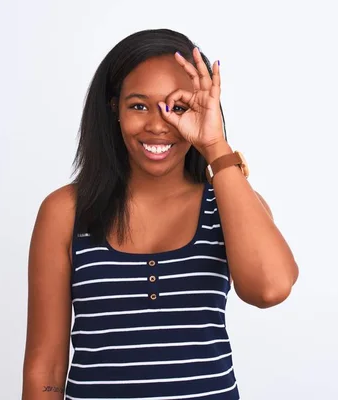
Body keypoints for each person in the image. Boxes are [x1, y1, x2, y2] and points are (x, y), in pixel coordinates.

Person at [21, 28, 299, 400]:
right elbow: (46, 367)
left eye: (178, 107)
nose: (158, 123)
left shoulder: (229, 204)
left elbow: (271, 288)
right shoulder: (65, 212)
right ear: (113, 109)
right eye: (138, 105)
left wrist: (215, 146)